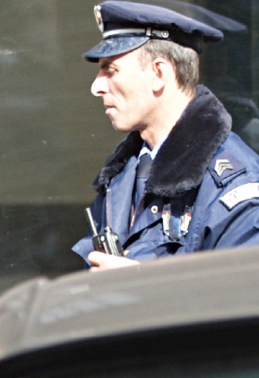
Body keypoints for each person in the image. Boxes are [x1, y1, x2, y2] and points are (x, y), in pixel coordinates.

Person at [73, 1, 259, 271]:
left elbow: (244, 292)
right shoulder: (122, 174)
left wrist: (140, 286)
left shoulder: (234, 186)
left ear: (159, 74)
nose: (96, 86)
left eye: (110, 70)